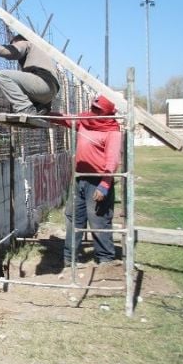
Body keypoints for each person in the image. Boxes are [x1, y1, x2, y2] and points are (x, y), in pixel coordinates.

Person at [49, 95, 122, 267]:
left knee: (98, 219)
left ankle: (105, 259)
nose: (94, 111)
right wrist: (45, 113)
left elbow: (112, 159)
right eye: (93, 107)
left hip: (98, 181)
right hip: (79, 178)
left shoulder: (112, 130)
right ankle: (70, 257)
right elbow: (65, 119)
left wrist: (105, 184)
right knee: (74, 217)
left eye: (98, 109)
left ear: (108, 112)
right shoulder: (85, 121)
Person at [0, 34, 60, 115]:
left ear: (17, 41)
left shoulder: (26, 43)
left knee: (2, 76)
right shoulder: (41, 53)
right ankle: (41, 109)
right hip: (51, 91)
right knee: (20, 87)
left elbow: (11, 51)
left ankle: (25, 109)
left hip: (42, 83)